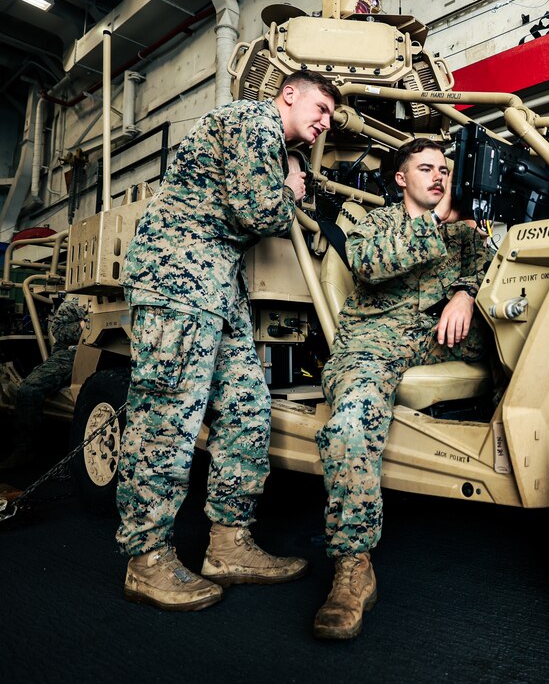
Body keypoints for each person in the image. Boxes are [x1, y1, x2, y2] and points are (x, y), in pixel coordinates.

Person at [115, 70, 342, 612]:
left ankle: (228, 545)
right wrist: (290, 189)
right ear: (289, 94)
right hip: (178, 280)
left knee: (247, 407)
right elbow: (258, 211)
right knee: (166, 420)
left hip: (219, 287)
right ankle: (146, 560)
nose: (325, 122)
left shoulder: (269, 141)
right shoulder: (252, 120)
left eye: (331, 116)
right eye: (321, 108)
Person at [312, 138, 491, 639]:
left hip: (436, 338)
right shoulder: (375, 224)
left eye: (444, 169)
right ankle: (353, 566)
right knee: (350, 427)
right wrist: (435, 223)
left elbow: (487, 269)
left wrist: (465, 294)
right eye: (426, 168)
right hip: (375, 339)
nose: (439, 176)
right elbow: (368, 264)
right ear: (401, 179)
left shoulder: (464, 233)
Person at [0, 295, 87, 470]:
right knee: (29, 389)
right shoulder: (79, 300)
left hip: (108, 352)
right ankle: (24, 449)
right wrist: (85, 326)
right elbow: (59, 330)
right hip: (71, 354)